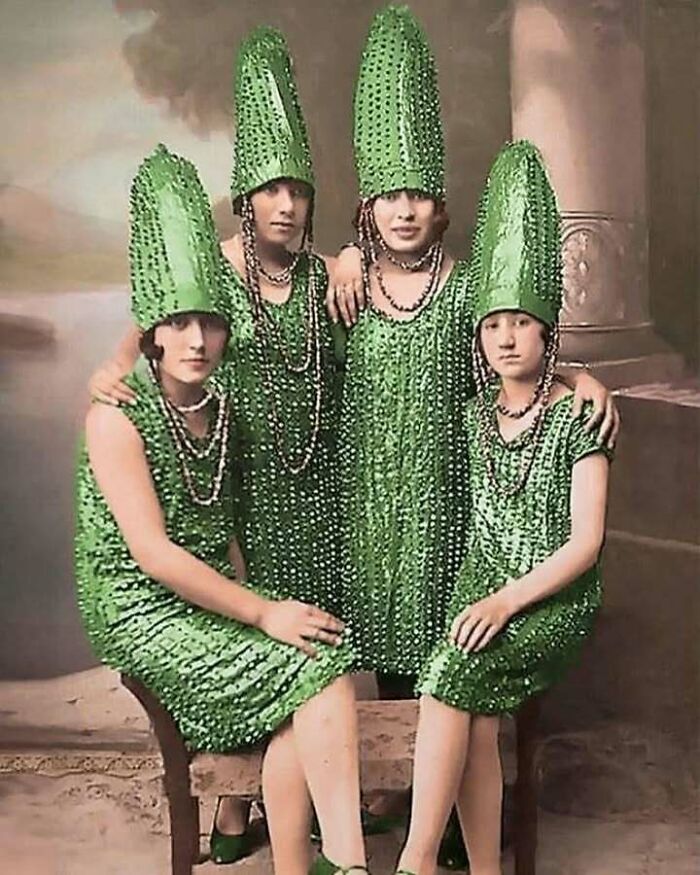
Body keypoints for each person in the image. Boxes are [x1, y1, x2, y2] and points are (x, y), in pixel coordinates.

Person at [327, 9, 618, 843]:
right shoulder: (347, 284)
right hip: (368, 499)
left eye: (419, 195)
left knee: (438, 635)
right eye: (390, 197)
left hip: (451, 493)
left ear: (441, 204)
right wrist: (342, 257)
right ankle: (401, 791)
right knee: (385, 637)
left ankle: (453, 813)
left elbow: (518, 349)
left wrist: (582, 373)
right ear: (369, 204)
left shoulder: (465, 291)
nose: (405, 212)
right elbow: (256, 284)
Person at [86, 27, 347, 860]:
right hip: (221, 503)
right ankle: (241, 821)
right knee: (281, 640)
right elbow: (163, 307)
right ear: (243, 196)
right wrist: (115, 363)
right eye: (266, 188)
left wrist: (348, 261)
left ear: (311, 198)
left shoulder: (328, 273)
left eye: (296, 189)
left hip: (275, 480)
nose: (283, 203)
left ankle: (307, 834)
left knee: (311, 644)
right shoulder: (208, 279)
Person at [397, 141, 613, 875]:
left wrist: (507, 602)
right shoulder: (473, 415)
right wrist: (484, 597)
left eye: (522, 321)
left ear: (547, 329)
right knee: (474, 709)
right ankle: (484, 867)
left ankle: (416, 862)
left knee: (450, 675)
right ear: (480, 337)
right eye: (494, 324)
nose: (507, 336)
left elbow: (585, 544)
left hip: (551, 592)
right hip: (481, 580)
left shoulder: (577, 418)